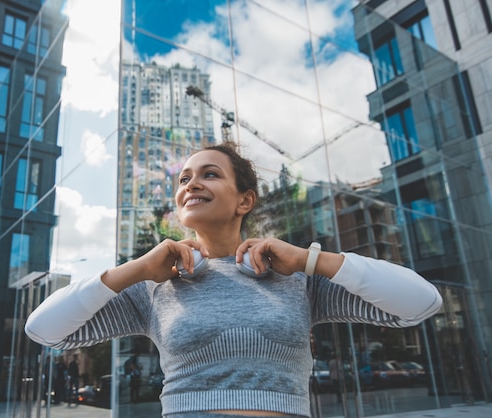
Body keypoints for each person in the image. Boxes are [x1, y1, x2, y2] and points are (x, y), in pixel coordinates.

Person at [25, 142, 443, 417]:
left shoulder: (297, 277)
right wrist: (134, 270)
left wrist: (310, 259)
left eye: (209, 174)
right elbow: (44, 331)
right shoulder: (154, 285)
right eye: (184, 178)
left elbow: (421, 303)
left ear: (245, 200)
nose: (191, 184)